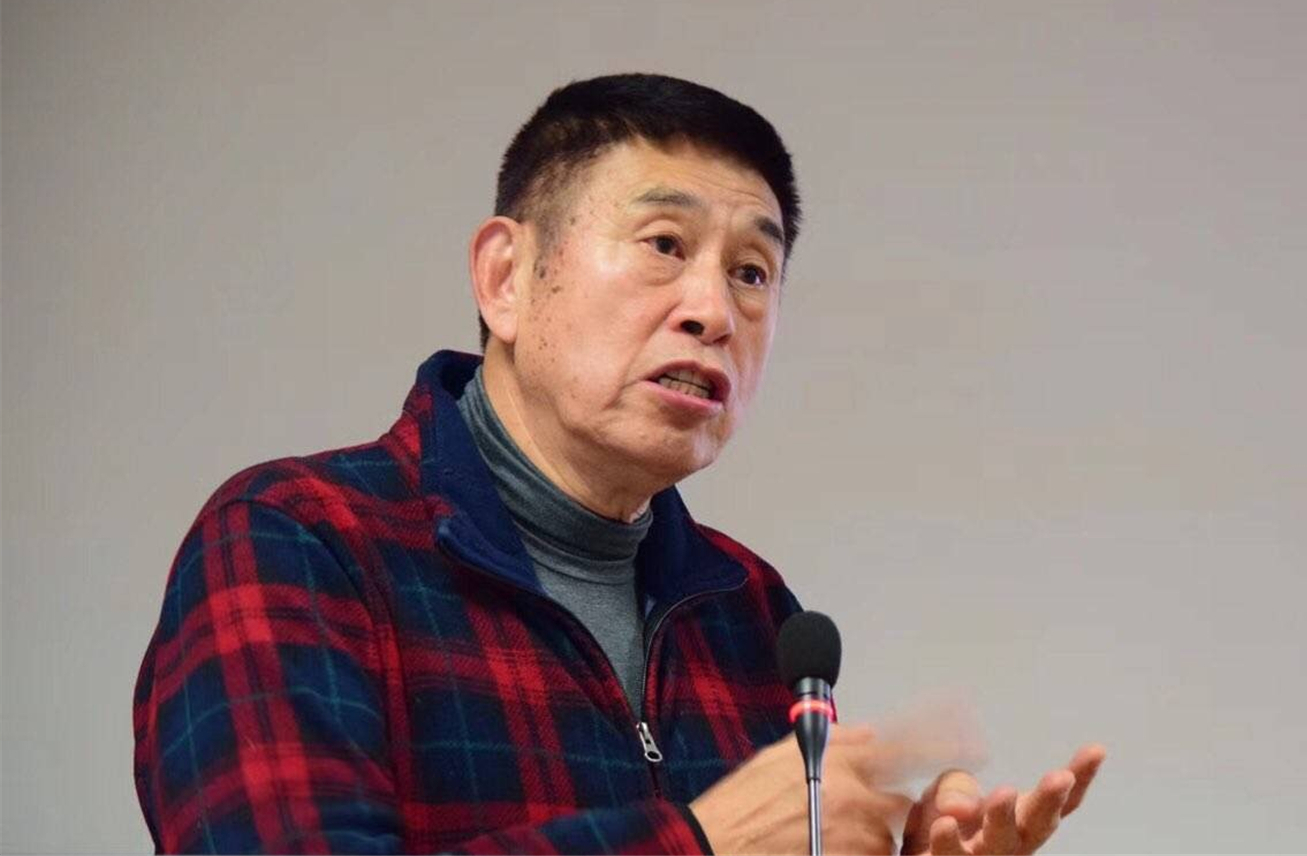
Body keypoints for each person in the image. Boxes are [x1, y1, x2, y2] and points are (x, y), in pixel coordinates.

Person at [132, 73, 1106, 854]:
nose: (712, 312)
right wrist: (700, 841)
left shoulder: (752, 610)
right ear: (507, 278)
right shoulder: (300, 540)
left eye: (751, 271)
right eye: (664, 244)